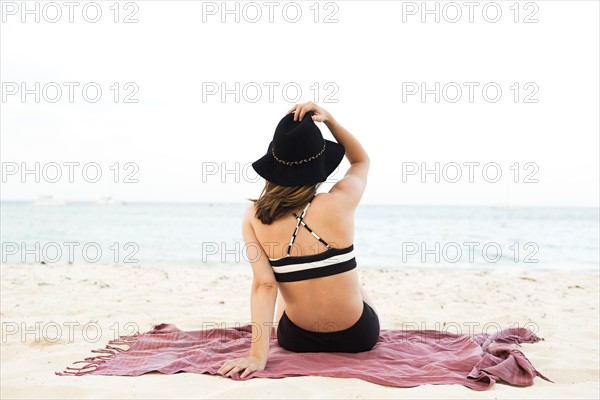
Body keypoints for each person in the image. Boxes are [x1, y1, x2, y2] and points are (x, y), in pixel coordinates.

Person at [218, 102, 380, 379]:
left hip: (296, 340)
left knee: (280, 285)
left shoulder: (254, 217)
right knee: (357, 286)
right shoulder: (340, 200)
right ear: (319, 162)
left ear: (274, 164)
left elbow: (264, 286)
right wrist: (330, 121)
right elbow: (361, 161)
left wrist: (257, 356)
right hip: (358, 337)